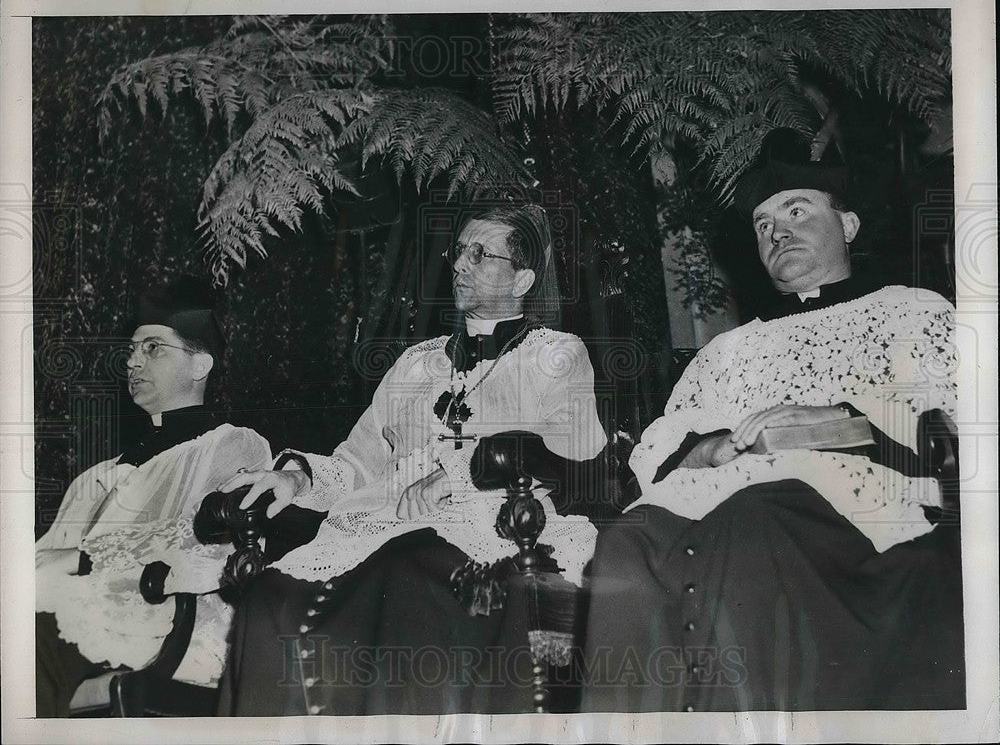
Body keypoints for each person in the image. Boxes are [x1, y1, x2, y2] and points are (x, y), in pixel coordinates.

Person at [581, 130, 962, 712]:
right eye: (762, 223)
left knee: (753, 515)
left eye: (797, 209)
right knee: (624, 546)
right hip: (725, 501)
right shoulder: (730, 349)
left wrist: (830, 420)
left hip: (850, 510)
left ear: (849, 226)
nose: (777, 230)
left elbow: (951, 425)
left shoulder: (911, 311)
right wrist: (705, 449)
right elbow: (666, 440)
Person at [215, 204, 608, 715]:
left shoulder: (556, 353)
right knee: (267, 598)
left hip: (492, 531)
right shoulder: (415, 363)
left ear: (523, 278)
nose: (460, 264)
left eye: (480, 253)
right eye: (458, 251)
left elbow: (578, 453)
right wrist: (296, 478)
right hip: (384, 529)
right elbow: (357, 464)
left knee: (404, 575)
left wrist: (459, 474)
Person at [35, 277, 271, 717]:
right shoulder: (97, 476)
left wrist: (84, 559)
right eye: (132, 350)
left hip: (166, 622)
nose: (133, 362)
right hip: (81, 619)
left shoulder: (230, 447)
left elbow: (204, 545)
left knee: (30, 641)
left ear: (200, 365)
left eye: (154, 348)